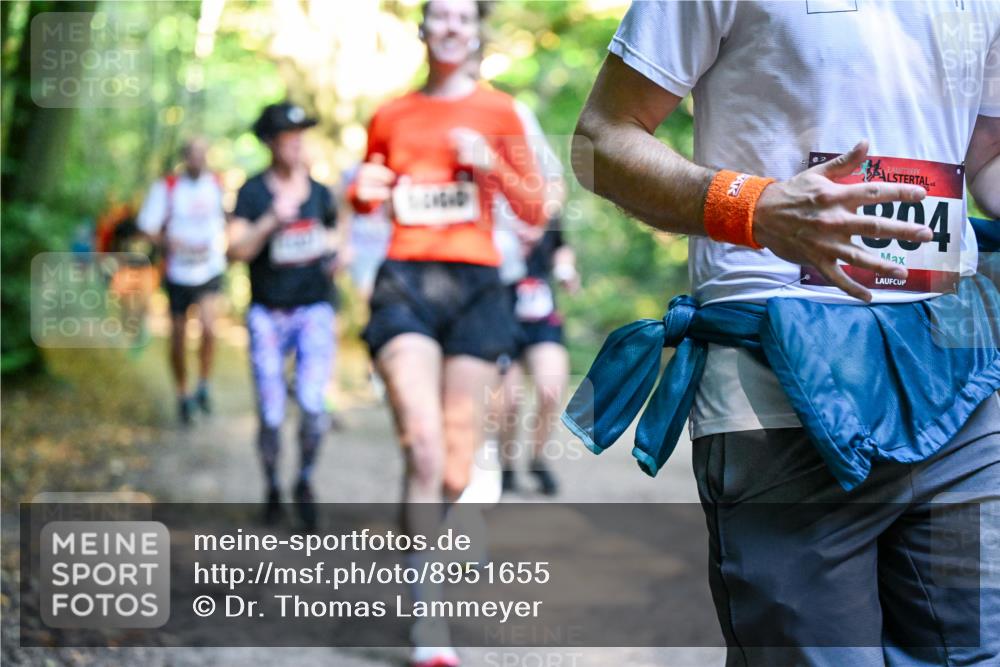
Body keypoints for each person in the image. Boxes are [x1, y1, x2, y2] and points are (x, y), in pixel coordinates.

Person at [571, 2, 999, 665]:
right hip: (775, 379)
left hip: (958, 369)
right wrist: (755, 207)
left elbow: (986, 153)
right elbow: (601, 141)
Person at [350, 1, 550, 664]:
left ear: (477, 30)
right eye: (441, 16)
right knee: (425, 448)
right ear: (424, 29)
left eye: (464, 17)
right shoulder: (391, 114)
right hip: (405, 281)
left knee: (458, 465)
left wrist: (489, 162)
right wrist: (361, 190)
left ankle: (432, 531)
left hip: (477, 287)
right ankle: (426, 614)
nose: (453, 27)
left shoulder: (501, 111)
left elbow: (535, 208)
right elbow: (367, 192)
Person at [228, 102, 338, 531]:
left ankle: (304, 480)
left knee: (312, 406)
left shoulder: (321, 193)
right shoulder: (252, 193)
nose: (296, 145)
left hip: (314, 310)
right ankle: (272, 485)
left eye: (301, 137)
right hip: (267, 314)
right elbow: (235, 250)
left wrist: (336, 253)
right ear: (270, 143)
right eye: (288, 138)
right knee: (272, 414)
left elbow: (337, 234)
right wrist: (272, 221)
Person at [138, 137, 227, 423]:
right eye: (193, 154)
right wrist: (168, 242)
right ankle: (182, 392)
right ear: (185, 158)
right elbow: (147, 227)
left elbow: (226, 220)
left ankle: (203, 385)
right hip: (178, 273)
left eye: (203, 153)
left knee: (209, 328)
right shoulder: (167, 187)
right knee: (178, 337)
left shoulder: (217, 184)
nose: (199, 159)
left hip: (209, 269)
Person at [497, 223, 578, 496]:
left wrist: (566, 270)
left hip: (542, 320)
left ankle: (537, 459)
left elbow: (561, 246)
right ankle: (506, 466)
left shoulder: (547, 212)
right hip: (500, 315)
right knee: (509, 401)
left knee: (551, 388)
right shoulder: (492, 208)